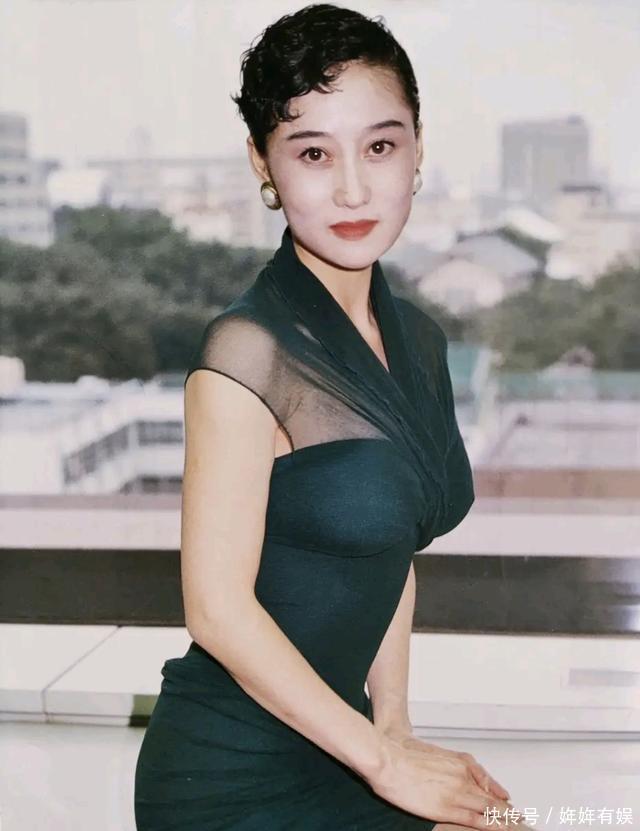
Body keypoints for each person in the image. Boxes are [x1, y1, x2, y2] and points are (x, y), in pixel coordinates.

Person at [134, 4, 531, 829]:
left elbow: (389, 554)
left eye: (380, 146)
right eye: (313, 153)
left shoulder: (419, 339)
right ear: (264, 163)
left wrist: (396, 728)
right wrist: (384, 761)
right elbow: (216, 608)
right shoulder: (247, 352)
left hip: (345, 741)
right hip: (229, 776)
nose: (353, 188)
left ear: (418, 148)